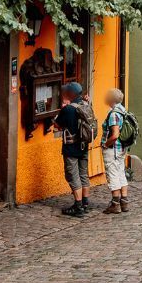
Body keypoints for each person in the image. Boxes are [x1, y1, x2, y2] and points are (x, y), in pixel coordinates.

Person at [56, 81, 93, 218]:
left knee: (73, 176)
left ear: (70, 94)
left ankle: (78, 207)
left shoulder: (68, 109)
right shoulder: (85, 105)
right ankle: (85, 203)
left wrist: (62, 107)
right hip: (83, 146)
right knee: (84, 174)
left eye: (66, 92)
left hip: (71, 147)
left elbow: (58, 124)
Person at [100, 87, 134, 215]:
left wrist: (105, 144)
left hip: (113, 149)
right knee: (120, 173)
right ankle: (124, 202)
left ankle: (115, 204)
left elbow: (114, 135)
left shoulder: (114, 114)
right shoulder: (123, 111)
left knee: (113, 174)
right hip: (121, 149)